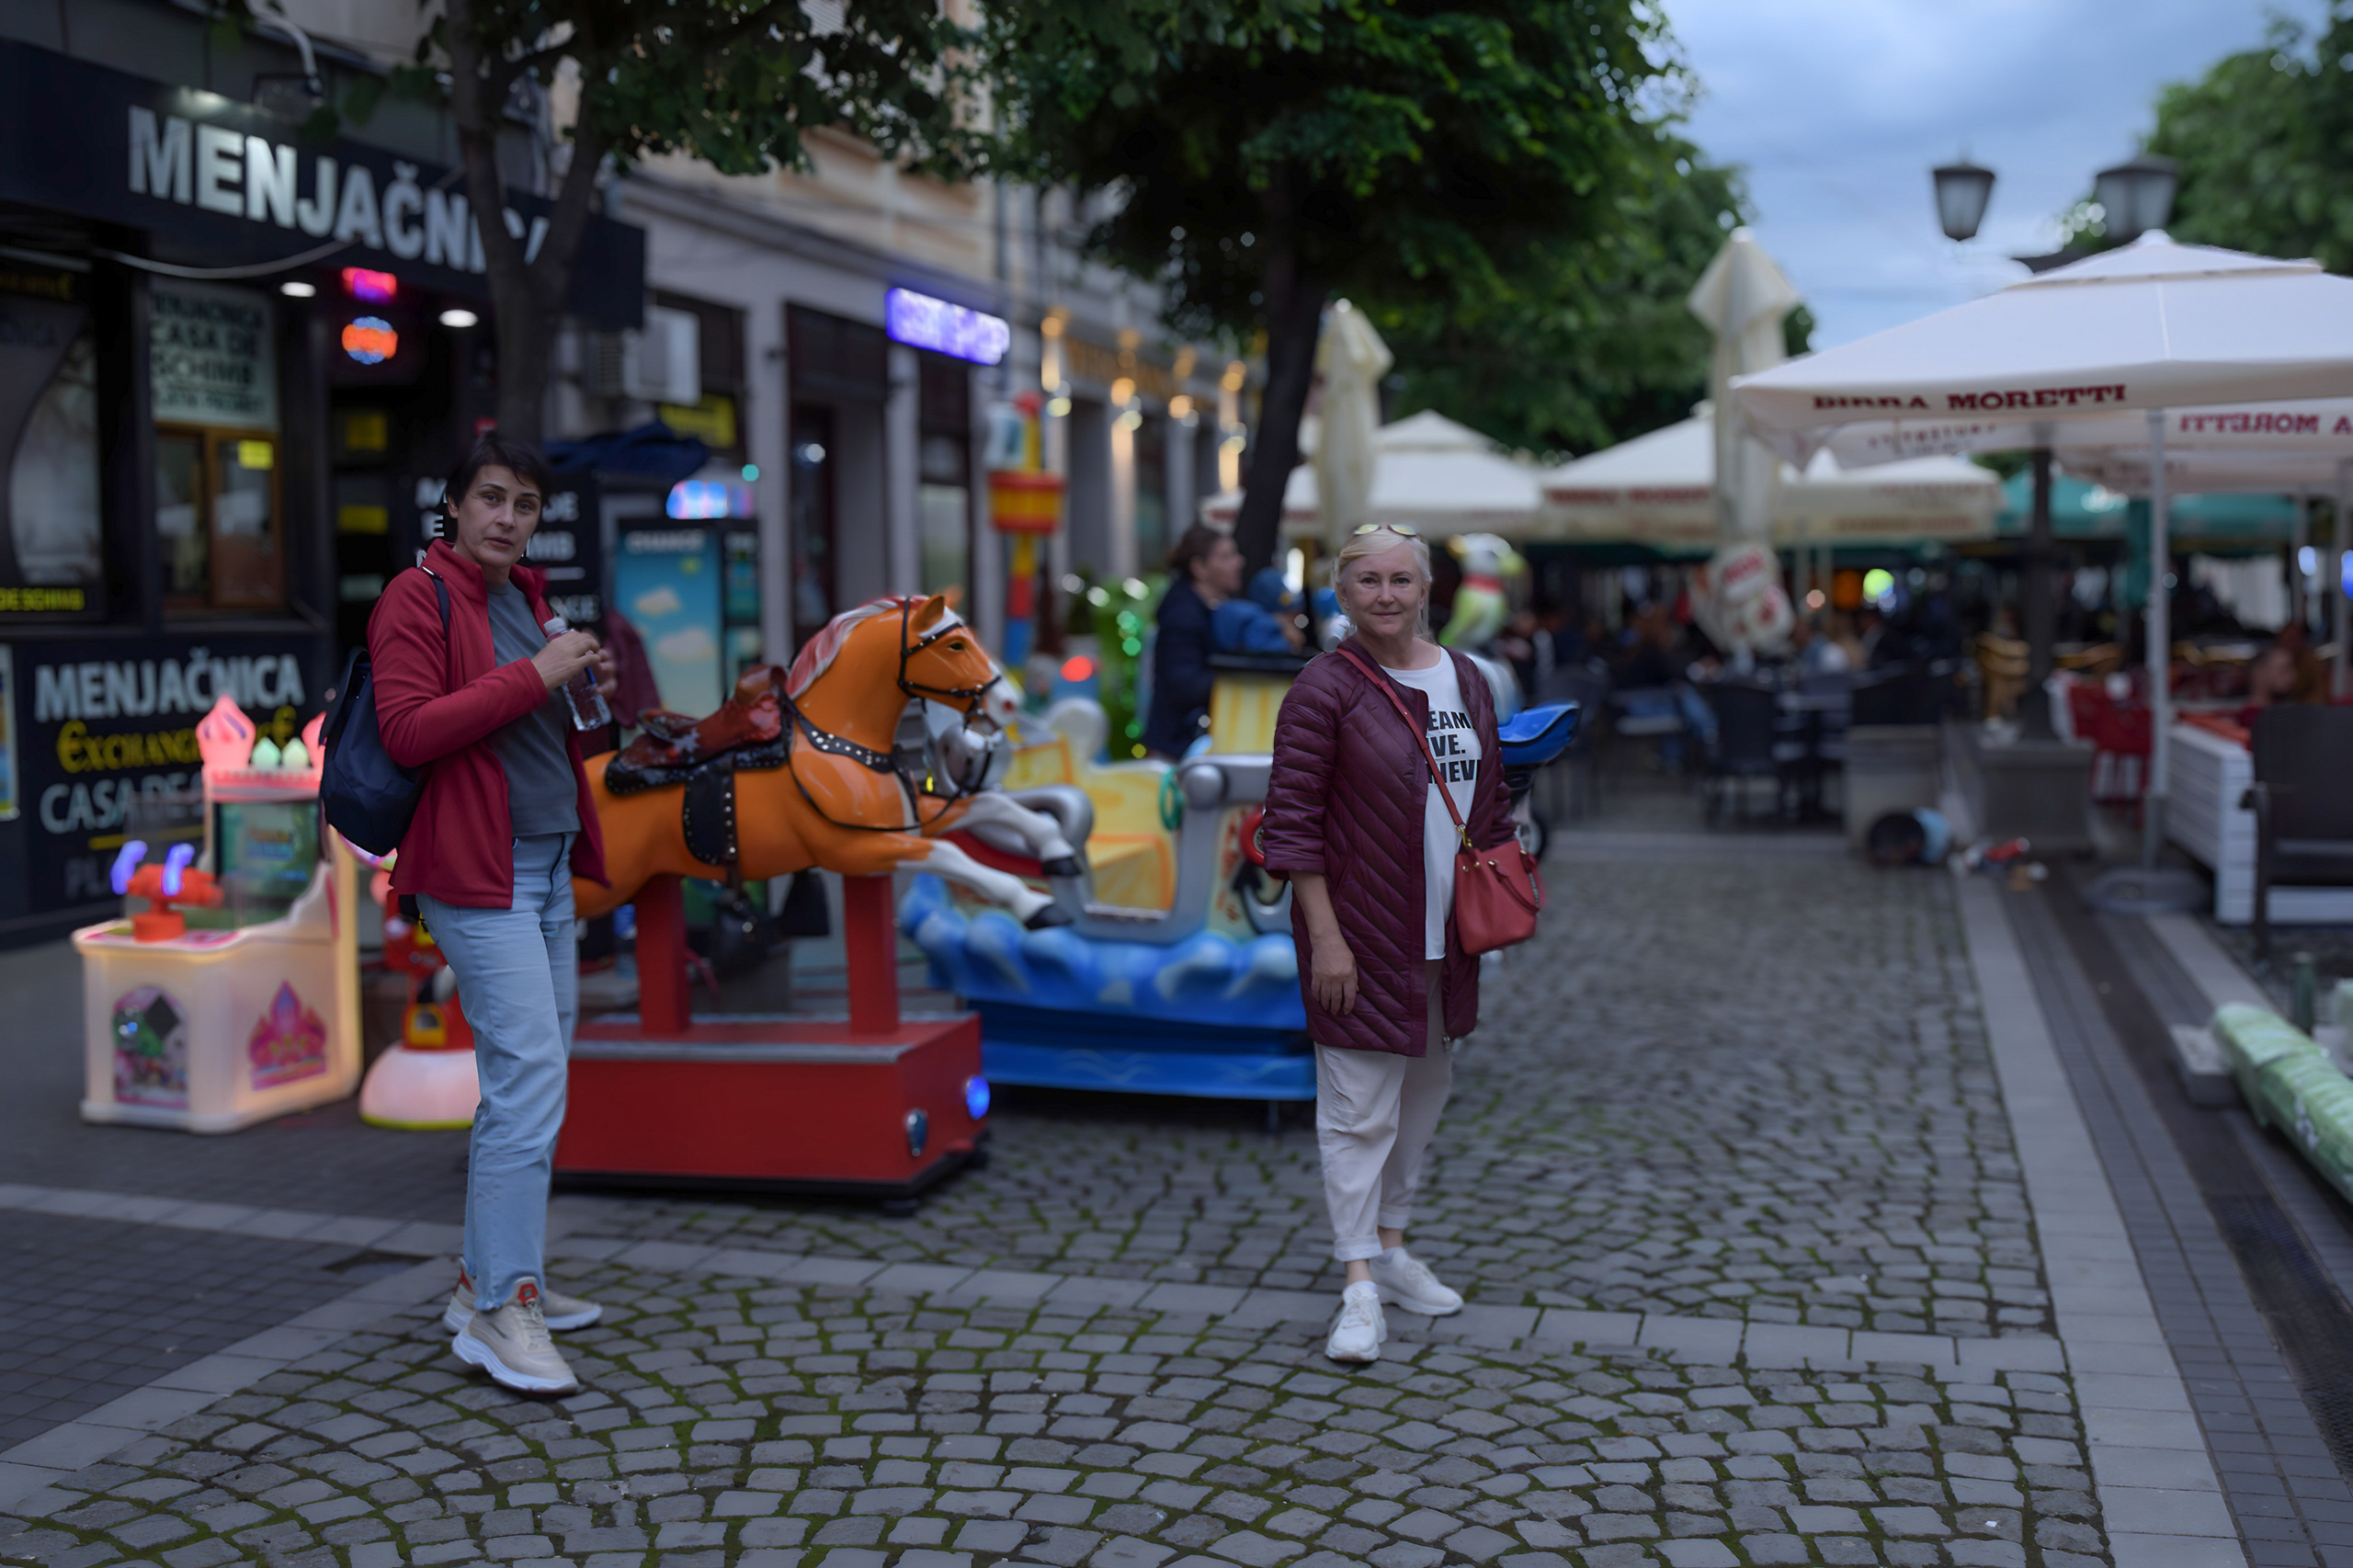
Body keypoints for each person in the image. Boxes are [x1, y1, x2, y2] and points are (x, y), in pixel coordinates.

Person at [369, 435, 618, 1396]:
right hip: (479, 872)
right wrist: (539, 674)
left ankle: (493, 1276)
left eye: (524, 504)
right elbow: (409, 728)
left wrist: (578, 682)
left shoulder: (523, 595)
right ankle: (502, 1308)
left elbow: (534, 715)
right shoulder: (415, 595)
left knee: (528, 1080)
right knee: (529, 1082)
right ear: (456, 506)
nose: (509, 518)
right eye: (493, 499)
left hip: (547, 865)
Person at [1260, 522, 1516, 1364]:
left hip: (1451, 930)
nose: (1386, 595)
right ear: (1342, 593)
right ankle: (1358, 1286)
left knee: (1423, 1096)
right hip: (1362, 932)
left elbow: (1491, 802)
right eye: (1368, 581)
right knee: (1357, 1111)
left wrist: (1497, 897)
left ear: (1426, 588)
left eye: (1401, 580)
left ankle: (1395, 1246)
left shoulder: (1468, 678)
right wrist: (1328, 940)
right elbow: (1289, 827)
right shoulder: (1323, 689)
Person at [1142, 525, 1245, 757]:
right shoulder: (1182, 615)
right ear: (1199, 567)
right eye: (1226, 557)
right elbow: (1186, 683)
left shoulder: (1195, 608)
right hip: (1178, 749)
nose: (1238, 563)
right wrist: (1242, 676)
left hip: (1182, 743)